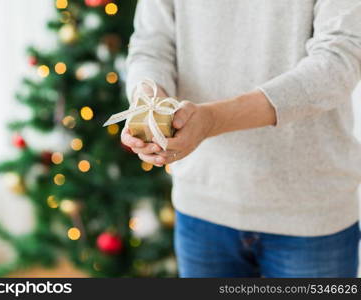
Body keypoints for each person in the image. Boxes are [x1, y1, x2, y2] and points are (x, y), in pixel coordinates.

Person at [121, 0, 361, 277]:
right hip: (201, 204)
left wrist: (212, 120)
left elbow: (338, 63)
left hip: (310, 214)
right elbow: (151, 44)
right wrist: (149, 105)